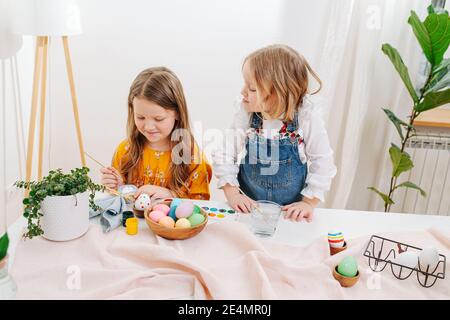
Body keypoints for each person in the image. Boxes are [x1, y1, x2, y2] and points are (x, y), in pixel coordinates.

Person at [213, 44, 336, 222]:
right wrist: (233, 195)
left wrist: (308, 203)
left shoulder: (306, 117)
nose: (242, 92)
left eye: (252, 89)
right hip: (249, 206)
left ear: (278, 93)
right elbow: (224, 154)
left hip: (288, 212)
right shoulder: (246, 113)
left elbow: (323, 162)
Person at [101, 67, 212, 201]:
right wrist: (118, 187)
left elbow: (200, 205)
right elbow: (120, 202)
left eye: (158, 119)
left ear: (177, 112)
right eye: (140, 117)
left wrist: (171, 195)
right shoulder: (126, 150)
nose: (148, 127)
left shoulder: (191, 156)